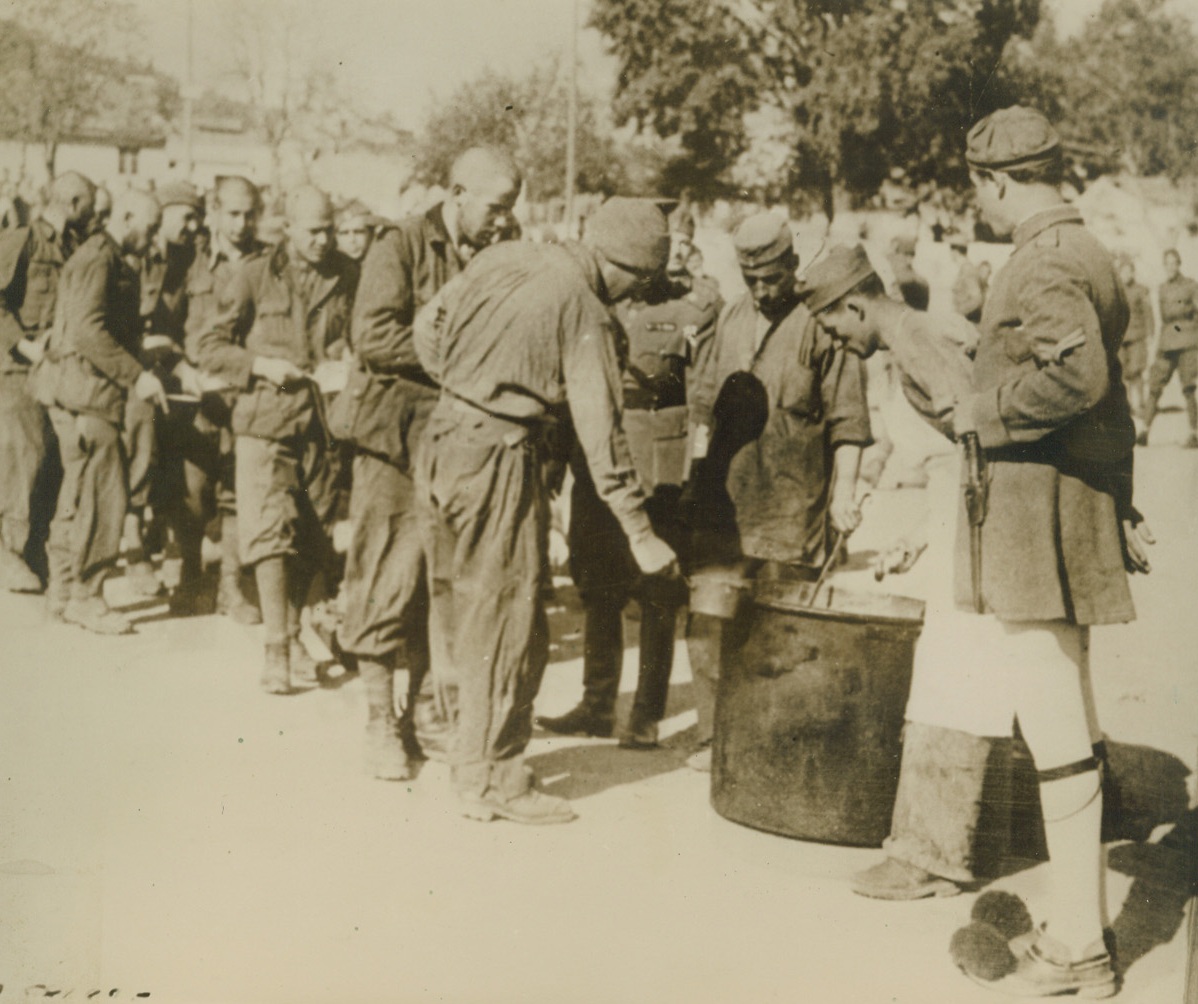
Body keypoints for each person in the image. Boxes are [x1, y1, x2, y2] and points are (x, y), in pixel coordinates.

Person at [947, 105, 1150, 997]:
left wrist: (981, 411)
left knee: (1054, 720)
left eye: (977, 192)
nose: (978, 207)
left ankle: (1081, 943)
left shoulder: (1044, 261)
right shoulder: (1088, 249)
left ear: (994, 182)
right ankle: (1079, 929)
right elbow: (1116, 401)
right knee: (1066, 711)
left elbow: (1082, 379)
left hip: (1038, 518)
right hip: (1066, 510)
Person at [412, 196, 677, 825]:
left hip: (443, 434)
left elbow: (427, 326)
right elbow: (603, 430)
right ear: (629, 273)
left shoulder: (503, 255)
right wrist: (639, 533)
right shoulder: (583, 305)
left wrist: (464, 382)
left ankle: (461, 753)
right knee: (507, 617)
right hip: (499, 456)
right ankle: (494, 777)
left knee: (455, 606)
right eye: (638, 287)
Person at [807, 244, 1024, 904]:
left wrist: (962, 540)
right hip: (962, 513)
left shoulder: (915, 336)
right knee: (973, 678)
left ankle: (930, 860)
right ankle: (971, 838)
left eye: (833, 325)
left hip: (979, 522)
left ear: (852, 305)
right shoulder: (914, 334)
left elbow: (976, 436)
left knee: (951, 680)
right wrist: (918, 536)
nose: (837, 339)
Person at [334, 146, 522, 779]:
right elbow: (376, 337)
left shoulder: (506, 247)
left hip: (461, 444)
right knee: (384, 578)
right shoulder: (401, 246)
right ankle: (378, 721)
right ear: (457, 193)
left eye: (510, 210)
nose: (503, 221)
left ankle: (417, 714)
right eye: (495, 208)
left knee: (434, 590)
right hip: (395, 441)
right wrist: (463, 354)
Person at [682, 212, 872, 771]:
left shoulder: (823, 325)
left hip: (794, 508)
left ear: (792, 264)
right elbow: (700, 410)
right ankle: (715, 740)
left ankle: (777, 745)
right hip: (726, 504)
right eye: (752, 279)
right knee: (710, 625)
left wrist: (846, 491)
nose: (763, 291)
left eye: (772, 277)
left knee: (786, 634)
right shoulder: (730, 318)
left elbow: (850, 422)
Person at [538, 203, 721, 748]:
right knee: (596, 583)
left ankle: (645, 712)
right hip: (598, 457)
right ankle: (597, 704)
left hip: (658, 462)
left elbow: (703, 391)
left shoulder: (695, 307)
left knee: (657, 590)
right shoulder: (591, 300)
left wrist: (696, 464)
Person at [198, 186, 357, 694]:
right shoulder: (253, 275)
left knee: (312, 536)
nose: (324, 239)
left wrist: (347, 366)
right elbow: (210, 346)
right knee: (269, 535)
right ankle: (277, 650)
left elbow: (358, 338)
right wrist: (262, 365)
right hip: (266, 421)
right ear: (288, 228)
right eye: (314, 230)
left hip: (321, 424)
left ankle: (294, 633)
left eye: (329, 228)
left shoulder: (345, 274)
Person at [37, 189, 169, 633]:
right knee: (102, 494)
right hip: (89, 393)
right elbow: (89, 330)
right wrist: (137, 376)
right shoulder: (102, 259)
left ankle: (63, 591)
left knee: (77, 493)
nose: (152, 241)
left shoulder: (102, 255)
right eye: (149, 228)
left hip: (82, 389)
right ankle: (87, 598)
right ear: (127, 215)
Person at [0, 171, 96, 593]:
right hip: (18, 369)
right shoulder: (22, 240)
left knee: (53, 458)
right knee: (25, 455)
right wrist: (24, 346)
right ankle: (8, 552)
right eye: (91, 207)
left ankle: (34, 548)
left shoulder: (74, 247)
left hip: (55, 372)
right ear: (74, 203)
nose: (95, 217)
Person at [182, 175, 270, 625]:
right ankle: (190, 575)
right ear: (215, 212)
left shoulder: (270, 263)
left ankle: (230, 588)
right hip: (194, 396)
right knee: (194, 492)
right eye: (232, 213)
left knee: (237, 492)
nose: (241, 223)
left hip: (245, 393)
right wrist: (182, 368)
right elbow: (169, 318)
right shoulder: (191, 260)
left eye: (248, 214)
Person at [121, 180, 204, 608]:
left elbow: (190, 323)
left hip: (172, 365)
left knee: (189, 435)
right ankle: (133, 538)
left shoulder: (193, 261)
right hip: (131, 367)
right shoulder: (134, 256)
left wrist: (184, 363)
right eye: (185, 216)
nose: (192, 226)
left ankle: (175, 540)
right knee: (142, 425)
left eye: (196, 218)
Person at [1139, 248, 1198, 447]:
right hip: (1167, 342)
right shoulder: (1162, 288)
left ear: (1179, 264)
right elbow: (1162, 319)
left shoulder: (1191, 285)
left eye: (1173, 263)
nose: (1170, 267)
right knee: (1155, 385)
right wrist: (1158, 344)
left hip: (1188, 341)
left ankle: (1195, 433)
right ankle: (1144, 431)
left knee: (1188, 387)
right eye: (1167, 264)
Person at [1116, 256, 1152, 421]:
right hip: (1121, 338)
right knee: (1123, 373)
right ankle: (1127, 405)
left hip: (1137, 336)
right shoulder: (1117, 291)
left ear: (1133, 273)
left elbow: (1148, 313)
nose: (1126, 275)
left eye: (1129, 271)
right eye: (1123, 272)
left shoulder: (1141, 290)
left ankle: (1141, 404)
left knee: (1137, 372)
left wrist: (1150, 332)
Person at [950, 238, 986, 323]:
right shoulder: (965, 269)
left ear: (954, 252)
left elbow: (977, 298)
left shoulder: (968, 271)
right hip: (964, 321)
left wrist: (959, 313)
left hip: (968, 322)